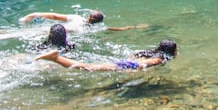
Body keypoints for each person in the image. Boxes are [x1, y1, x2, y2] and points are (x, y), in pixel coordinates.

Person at [35, 39, 177, 72]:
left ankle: (53, 61)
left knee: (90, 66)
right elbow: (142, 65)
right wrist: (131, 70)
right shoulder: (159, 59)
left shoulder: (149, 52)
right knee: (89, 67)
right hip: (128, 65)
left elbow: (134, 55)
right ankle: (56, 58)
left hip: (127, 61)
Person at [19, 9, 148, 32]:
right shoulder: (98, 28)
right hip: (68, 34)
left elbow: (54, 16)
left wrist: (36, 14)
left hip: (53, 29)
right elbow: (117, 29)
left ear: (88, 17)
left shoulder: (76, 18)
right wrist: (134, 27)